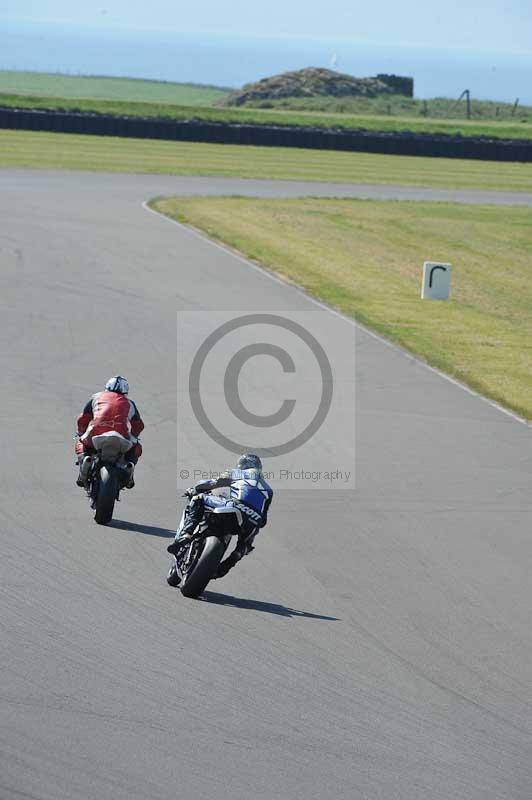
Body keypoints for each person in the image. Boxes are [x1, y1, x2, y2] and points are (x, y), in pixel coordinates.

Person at [167, 454, 273, 579]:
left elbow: (213, 483)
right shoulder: (268, 489)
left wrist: (195, 489)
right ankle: (233, 558)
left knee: (198, 499)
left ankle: (186, 534)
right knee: (246, 542)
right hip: (253, 518)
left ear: (244, 466)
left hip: (235, 505)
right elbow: (263, 519)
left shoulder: (236, 473)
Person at [75, 375, 144, 488]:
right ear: (125, 391)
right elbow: (139, 425)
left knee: (81, 442)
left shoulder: (96, 398)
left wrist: (81, 432)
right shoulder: (130, 403)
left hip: (95, 433)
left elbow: (82, 419)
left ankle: (84, 461)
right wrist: (134, 437)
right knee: (137, 447)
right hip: (121, 436)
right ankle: (130, 466)